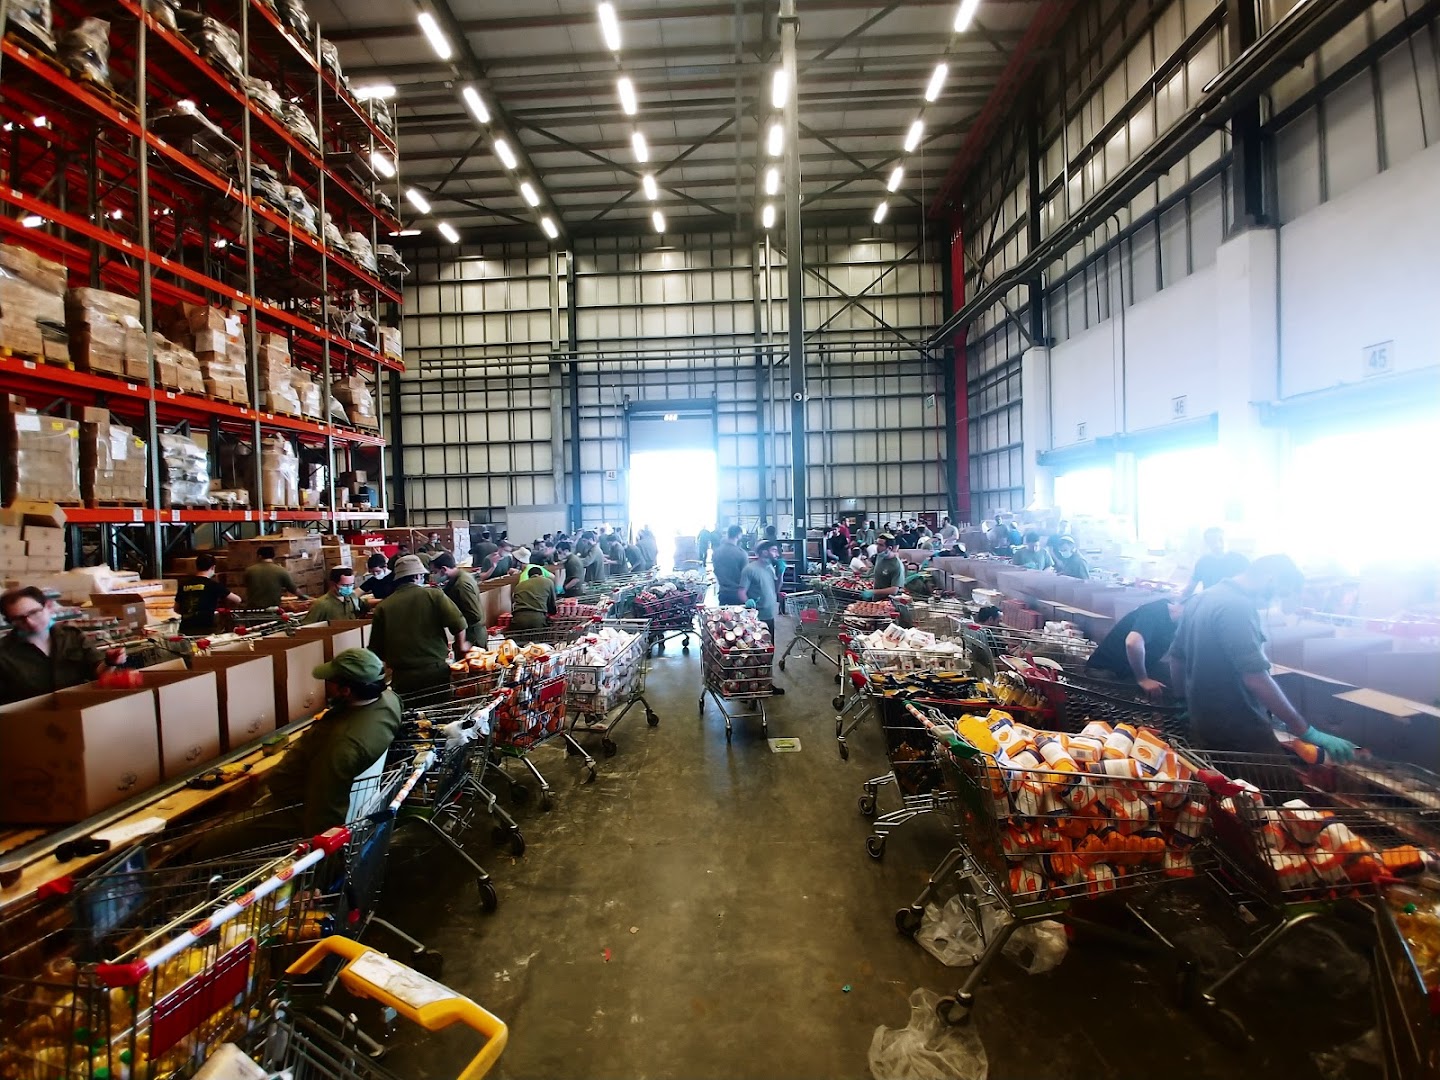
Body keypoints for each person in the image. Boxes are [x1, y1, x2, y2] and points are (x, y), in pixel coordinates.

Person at [194, 647, 402, 856]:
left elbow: (324, 809)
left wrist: (320, 857)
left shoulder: (341, 746)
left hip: (293, 807)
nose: (325, 683)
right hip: (299, 791)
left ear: (345, 690)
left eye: (330, 680)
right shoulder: (389, 701)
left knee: (208, 846)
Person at [1169, 555, 1356, 761]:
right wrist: (1305, 731)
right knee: (1273, 781)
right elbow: (1256, 678)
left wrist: (1182, 702)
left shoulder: (1200, 599)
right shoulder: (1237, 607)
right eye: (1278, 594)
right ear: (1271, 579)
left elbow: (1177, 658)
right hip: (1239, 729)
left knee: (1223, 777)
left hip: (1203, 722)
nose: (1271, 601)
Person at [0, 587, 128, 704]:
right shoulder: (4, 653)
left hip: (76, 709)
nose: (30, 622)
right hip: (30, 717)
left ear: (48, 606)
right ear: (9, 621)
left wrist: (110, 662)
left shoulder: (72, 636)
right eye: (19, 619)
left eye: (34, 613)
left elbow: (97, 672)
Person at [368, 554, 469, 697]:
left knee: (411, 710)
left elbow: (376, 650)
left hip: (402, 676)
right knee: (440, 708)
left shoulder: (383, 607)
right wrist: (461, 645)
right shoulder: (434, 595)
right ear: (417, 576)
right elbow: (458, 624)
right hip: (435, 672)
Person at [1085, 599, 1185, 700]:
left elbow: (1177, 656)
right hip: (1106, 671)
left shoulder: (1176, 625)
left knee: (1166, 682)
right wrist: (1143, 679)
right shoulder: (1156, 611)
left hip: (1127, 671)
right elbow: (1133, 642)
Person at [740, 539, 785, 696]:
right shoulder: (749, 569)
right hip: (756, 618)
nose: (777, 554)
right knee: (754, 653)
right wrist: (747, 601)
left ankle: (766, 684)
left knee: (768, 651)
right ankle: (748, 685)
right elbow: (741, 591)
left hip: (769, 615)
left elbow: (776, 589)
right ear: (764, 552)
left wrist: (780, 573)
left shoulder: (770, 567)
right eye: (774, 550)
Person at [429, 552, 486, 649]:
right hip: (469, 633)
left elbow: (475, 615)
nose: (433, 576)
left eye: (434, 572)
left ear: (444, 569)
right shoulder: (461, 576)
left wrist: (452, 620)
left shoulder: (461, 585)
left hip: (471, 636)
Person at [173, 553, 241, 634]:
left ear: (197, 567)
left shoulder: (184, 584)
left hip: (186, 628)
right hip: (205, 628)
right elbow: (237, 600)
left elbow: (176, 609)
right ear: (213, 567)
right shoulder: (213, 585)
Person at [1183, 527, 1250, 599]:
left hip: (1234, 601)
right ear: (1207, 543)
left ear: (1226, 540)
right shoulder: (1202, 562)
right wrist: (1180, 599)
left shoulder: (1241, 560)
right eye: (1212, 542)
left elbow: (1250, 586)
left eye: (1221, 540)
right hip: (1210, 601)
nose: (1218, 545)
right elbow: (1190, 588)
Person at [510, 565, 558, 632]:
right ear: (541, 575)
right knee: (538, 638)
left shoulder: (519, 585)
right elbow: (552, 604)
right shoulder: (548, 582)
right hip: (537, 619)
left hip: (518, 619)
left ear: (529, 576)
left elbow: (514, 601)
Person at [863, 534, 905, 601]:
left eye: (881, 545)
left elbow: (894, 590)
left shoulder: (897, 566)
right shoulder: (880, 556)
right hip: (876, 599)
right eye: (877, 544)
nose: (877, 548)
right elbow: (876, 570)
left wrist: (873, 592)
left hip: (887, 602)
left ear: (889, 548)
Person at [713, 524, 748, 605]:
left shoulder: (716, 552)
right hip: (738, 594)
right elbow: (746, 576)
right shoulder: (741, 553)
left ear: (728, 534)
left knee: (724, 613)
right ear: (738, 535)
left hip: (723, 593)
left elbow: (716, 571)